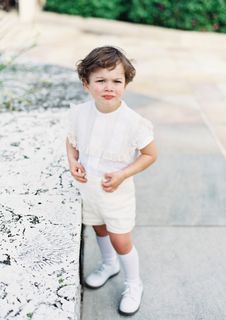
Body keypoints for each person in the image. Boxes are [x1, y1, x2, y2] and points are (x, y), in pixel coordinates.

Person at [66, 46, 157, 316]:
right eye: (100, 80)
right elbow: (71, 141)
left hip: (116, 192)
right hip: (89, 190)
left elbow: (150, 154)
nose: (109, 87)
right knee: (99, 229)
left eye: (116, 80)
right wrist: (73, 162)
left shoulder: (134, 122)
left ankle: (133, 283)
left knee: (121, 239)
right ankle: (109, 265)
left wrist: (122, 174)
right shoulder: (80, 114)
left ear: (126, 83)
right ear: (86, 83)